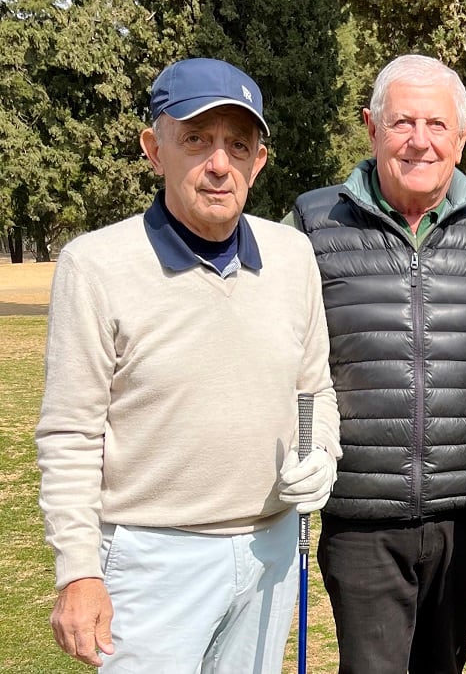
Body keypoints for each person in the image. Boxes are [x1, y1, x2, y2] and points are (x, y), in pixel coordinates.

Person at [36, 57, 341, 671]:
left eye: (237, 143)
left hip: (270, 551)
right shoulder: (94, 265)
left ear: (258, 160)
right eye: (196, 139)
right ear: (154, 149)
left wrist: (323, 452)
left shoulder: (292, 255)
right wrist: (77, 571)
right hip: (151, 559)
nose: (219, 163)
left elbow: (316, 390)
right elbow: (70, 434)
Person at [289, 54, 466, 674]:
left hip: (462, 511)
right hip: (360, 515)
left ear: (463, 133)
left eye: (436, 124)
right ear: (370, 127)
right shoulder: (311, 226)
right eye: (401, 123)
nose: (419, 140)